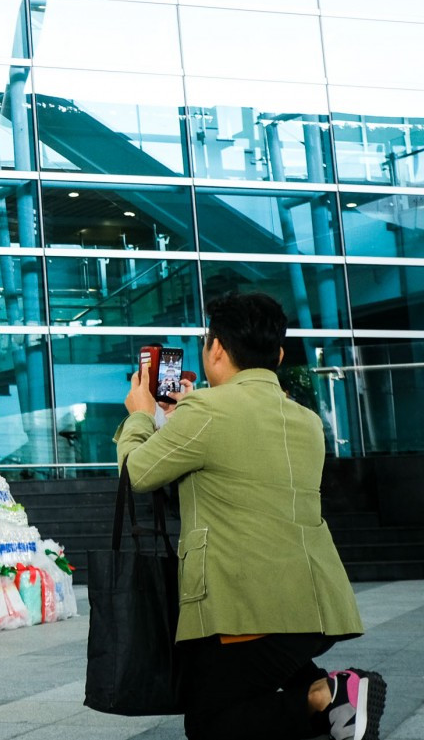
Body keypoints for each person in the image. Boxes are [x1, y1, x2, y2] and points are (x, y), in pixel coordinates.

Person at [115, 293, 383, 740]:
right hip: (315, 598)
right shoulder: (305, 418)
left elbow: (136, 474)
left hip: (243, 602)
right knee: (253, 688)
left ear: (216, 348)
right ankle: (330, 696)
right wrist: (179, 419)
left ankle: (328, 696)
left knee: (211, 723)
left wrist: (141, 418)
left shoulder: (205, 411)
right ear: (277, 355)